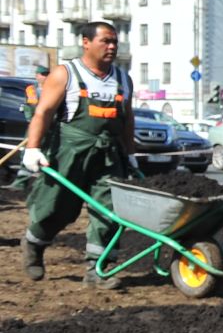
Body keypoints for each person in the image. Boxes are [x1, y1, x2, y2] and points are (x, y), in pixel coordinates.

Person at [19, 22, 138, 289]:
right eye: (105, 41)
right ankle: (34, 243)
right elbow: (43, 113)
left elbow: (127, 120)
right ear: (86, 42)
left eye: (114, 42)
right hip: (69, 152)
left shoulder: (123, 78)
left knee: (109, 211)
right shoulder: (65, 74)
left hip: (108, 155)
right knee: (56, 208)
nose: (111, 47)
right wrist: (33, 149)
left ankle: (98, 269)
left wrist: (130, 155)